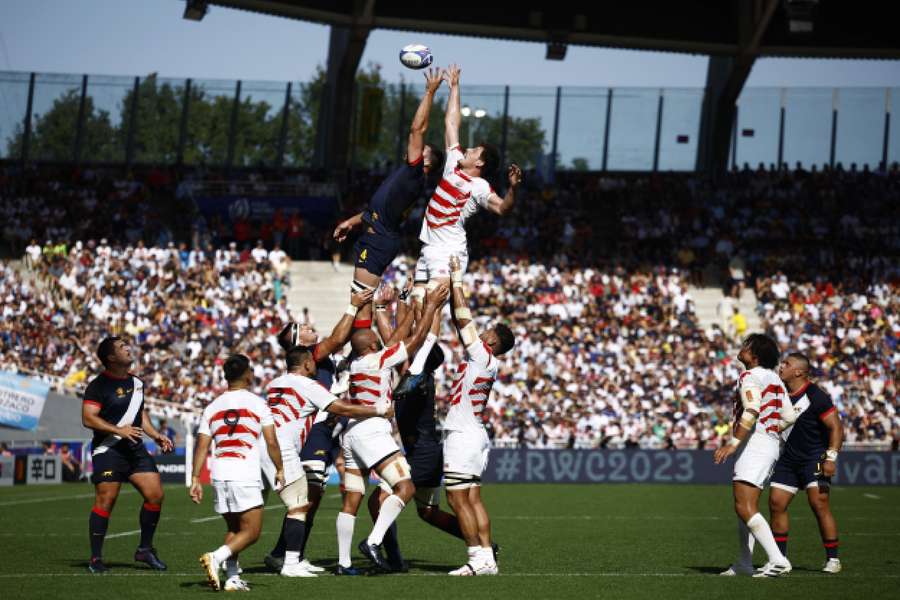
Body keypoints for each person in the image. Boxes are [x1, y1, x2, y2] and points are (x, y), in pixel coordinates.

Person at [366, 284, 488, 573]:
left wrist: (427, 306)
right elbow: (394, 340)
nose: (407, 348)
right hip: (423, 448)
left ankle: (387, 553)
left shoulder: (417, 375)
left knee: (380, 499)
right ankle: (484, 546)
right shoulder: (409, 372)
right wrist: (395, 305)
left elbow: (418, 337)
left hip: (422, 451)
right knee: (428, 512)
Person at [335, 283, 449, 574]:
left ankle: (343, 563)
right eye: (377, 339)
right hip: (372, 429)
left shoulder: (354, 362)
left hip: (350, 433)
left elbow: (395, 337)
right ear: (373, 346)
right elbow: (418, 337)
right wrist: (431, 305)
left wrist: (399, 304)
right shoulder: (381, 359)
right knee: (405, 486)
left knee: (351, 501)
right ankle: (373, 542)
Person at [262, 289, 373, 573]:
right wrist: (353, 305)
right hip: (313, 433)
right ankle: (285, 556)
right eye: (307, 329)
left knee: (311, 498)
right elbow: (338, 338)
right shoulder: (313, 354)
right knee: (307, 498)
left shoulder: (318, 360)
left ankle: (288, 554)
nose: (313, 329)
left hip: (322, 431)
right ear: (301, 343)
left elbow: (345, 338)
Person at [263, 344, 394, 577]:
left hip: (266, 444)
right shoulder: (308, 384)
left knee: (252, 508)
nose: (315, 364)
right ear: (306, 364)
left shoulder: (275, 384)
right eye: (312, 362)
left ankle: (237, 562)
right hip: (284, 448)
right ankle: (288, 561)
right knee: (300, 504)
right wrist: (377, 410)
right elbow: (341, 408)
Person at [332, 67, 445, 331]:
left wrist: (429, 92)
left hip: (378, 241)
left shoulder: (414, 175)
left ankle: (365, 349)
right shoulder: (408, 174)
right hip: (376, 234)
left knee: (360, 299)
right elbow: (378, 209)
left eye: (422, 150)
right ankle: (362, 346)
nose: (414, 147)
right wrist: (351, 222)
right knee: (361, 299)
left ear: (426, 162)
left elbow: (417, 129)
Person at [413, 64, 521, 290]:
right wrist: (454, 87)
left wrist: (513, 189)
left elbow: (503, 209)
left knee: (431, 304)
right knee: (415, 304)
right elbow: (451, 122)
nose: (468, 149)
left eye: (474, 151)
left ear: (480, 163)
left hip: (449, 251)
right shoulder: (454, 161)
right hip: (429, 247)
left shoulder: (479, 186)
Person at [442, 255, 515, 576]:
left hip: (463, 434)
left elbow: (461, 318)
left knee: (457, 500)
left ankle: (476, 558)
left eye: (486, 331)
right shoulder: (488, 362)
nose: (480, 331)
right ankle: (487, 558)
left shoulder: (483, 354)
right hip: (475, 433)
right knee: (472, 498)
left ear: (492, 341)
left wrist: (456, 280)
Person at [190, 354, 285, 592]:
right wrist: (281, 468)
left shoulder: (212, 406)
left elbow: (202, 445)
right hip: (244, 473)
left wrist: (194, 478)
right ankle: (216, 557)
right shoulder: (257, 403)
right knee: (251, 532)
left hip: (220, 472)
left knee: (234, 529)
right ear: (247, 374)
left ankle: (232, 579)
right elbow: (271, 442)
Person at [81, 336, 174, 574]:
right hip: (108, 449)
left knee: (155, 495)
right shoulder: (98, 385)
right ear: (111, 358)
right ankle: (95, 558)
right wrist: (118, 431)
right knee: (106, 501)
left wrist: (156, 436)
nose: (128, 349)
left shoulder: (138, 383)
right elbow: (88, 418)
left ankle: (144, 549)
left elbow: (140, 415)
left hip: (134, 449)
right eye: (122, 347)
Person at [714, 334, 797, 577]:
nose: (742, 349)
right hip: (768, 444)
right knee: (746, 507)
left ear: (755, 356)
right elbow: (790, 416)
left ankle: (777, 559)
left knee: (744, 505)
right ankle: (744, 562)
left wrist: (733, 443)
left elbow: (751, 409)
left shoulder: (750, 376)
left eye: (746, 347)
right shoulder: (775, 378)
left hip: (755, 445)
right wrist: (771, 430)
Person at [769, 352, 844, 573]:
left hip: (817, 458)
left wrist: (830, 458)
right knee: (776, 503)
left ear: (799, 371)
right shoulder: (779, 394)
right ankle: (780, 559)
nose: (781, 367)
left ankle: (833, 560)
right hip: (789, 459)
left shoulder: (816, 395)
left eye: (786, 364)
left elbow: (836, 427)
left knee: (819, 504)